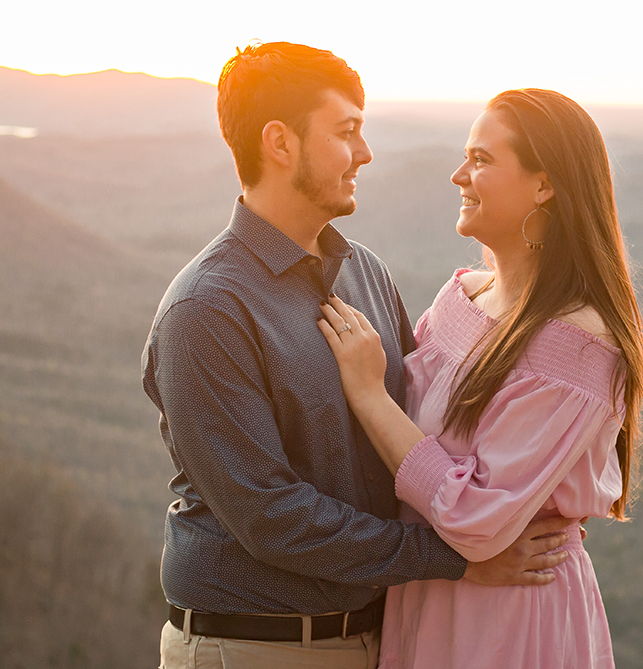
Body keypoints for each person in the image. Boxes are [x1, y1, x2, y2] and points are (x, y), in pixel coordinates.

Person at [142, 44, 576, 669]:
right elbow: (272, 516)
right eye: (347, 132)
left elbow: (427, 426)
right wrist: (461, 558)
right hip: (254, 649)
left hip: (378, 641)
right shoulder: (208, 309)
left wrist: (522, 501)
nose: (366, 154)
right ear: (280, 143)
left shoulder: (363, 273)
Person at [318, 88, 643, 668]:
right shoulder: (460, 300)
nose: (458, 175)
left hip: (510, 618)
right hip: (428, 598)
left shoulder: (579, 347)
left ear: (544, 185)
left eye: (481, 160)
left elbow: (478, 521)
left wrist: (369, 395)